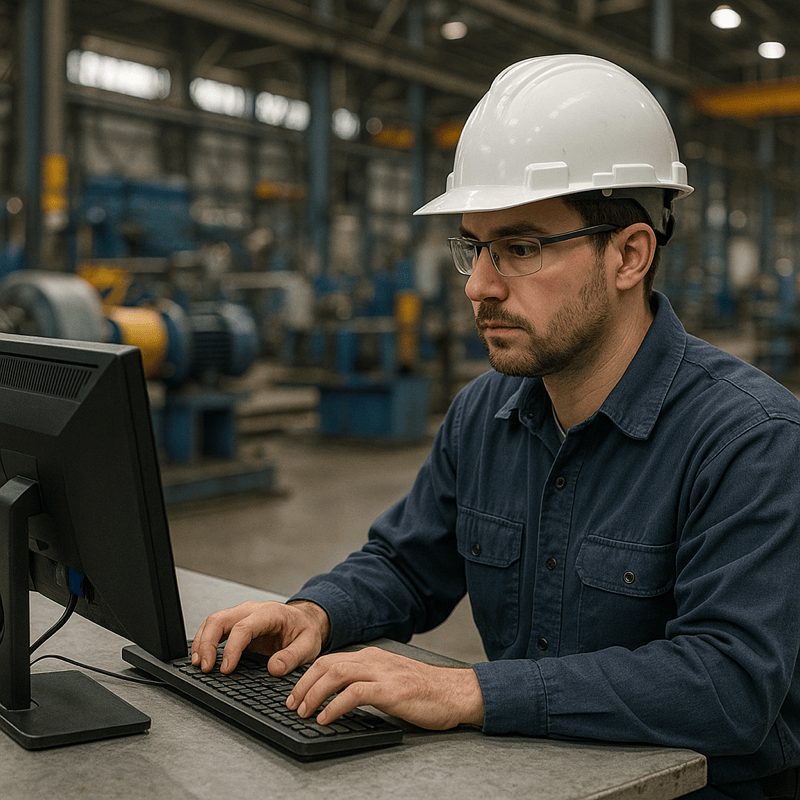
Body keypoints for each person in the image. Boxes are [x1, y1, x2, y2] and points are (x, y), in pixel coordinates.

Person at [192, 55, 800, 799]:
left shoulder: (749, 439)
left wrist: (469, 693)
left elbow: (729, 686)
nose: (480, 284)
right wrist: (316, 611)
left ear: (630, 255)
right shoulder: (486, 413)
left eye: (521, 248)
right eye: (474, 248)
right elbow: (407, 565)